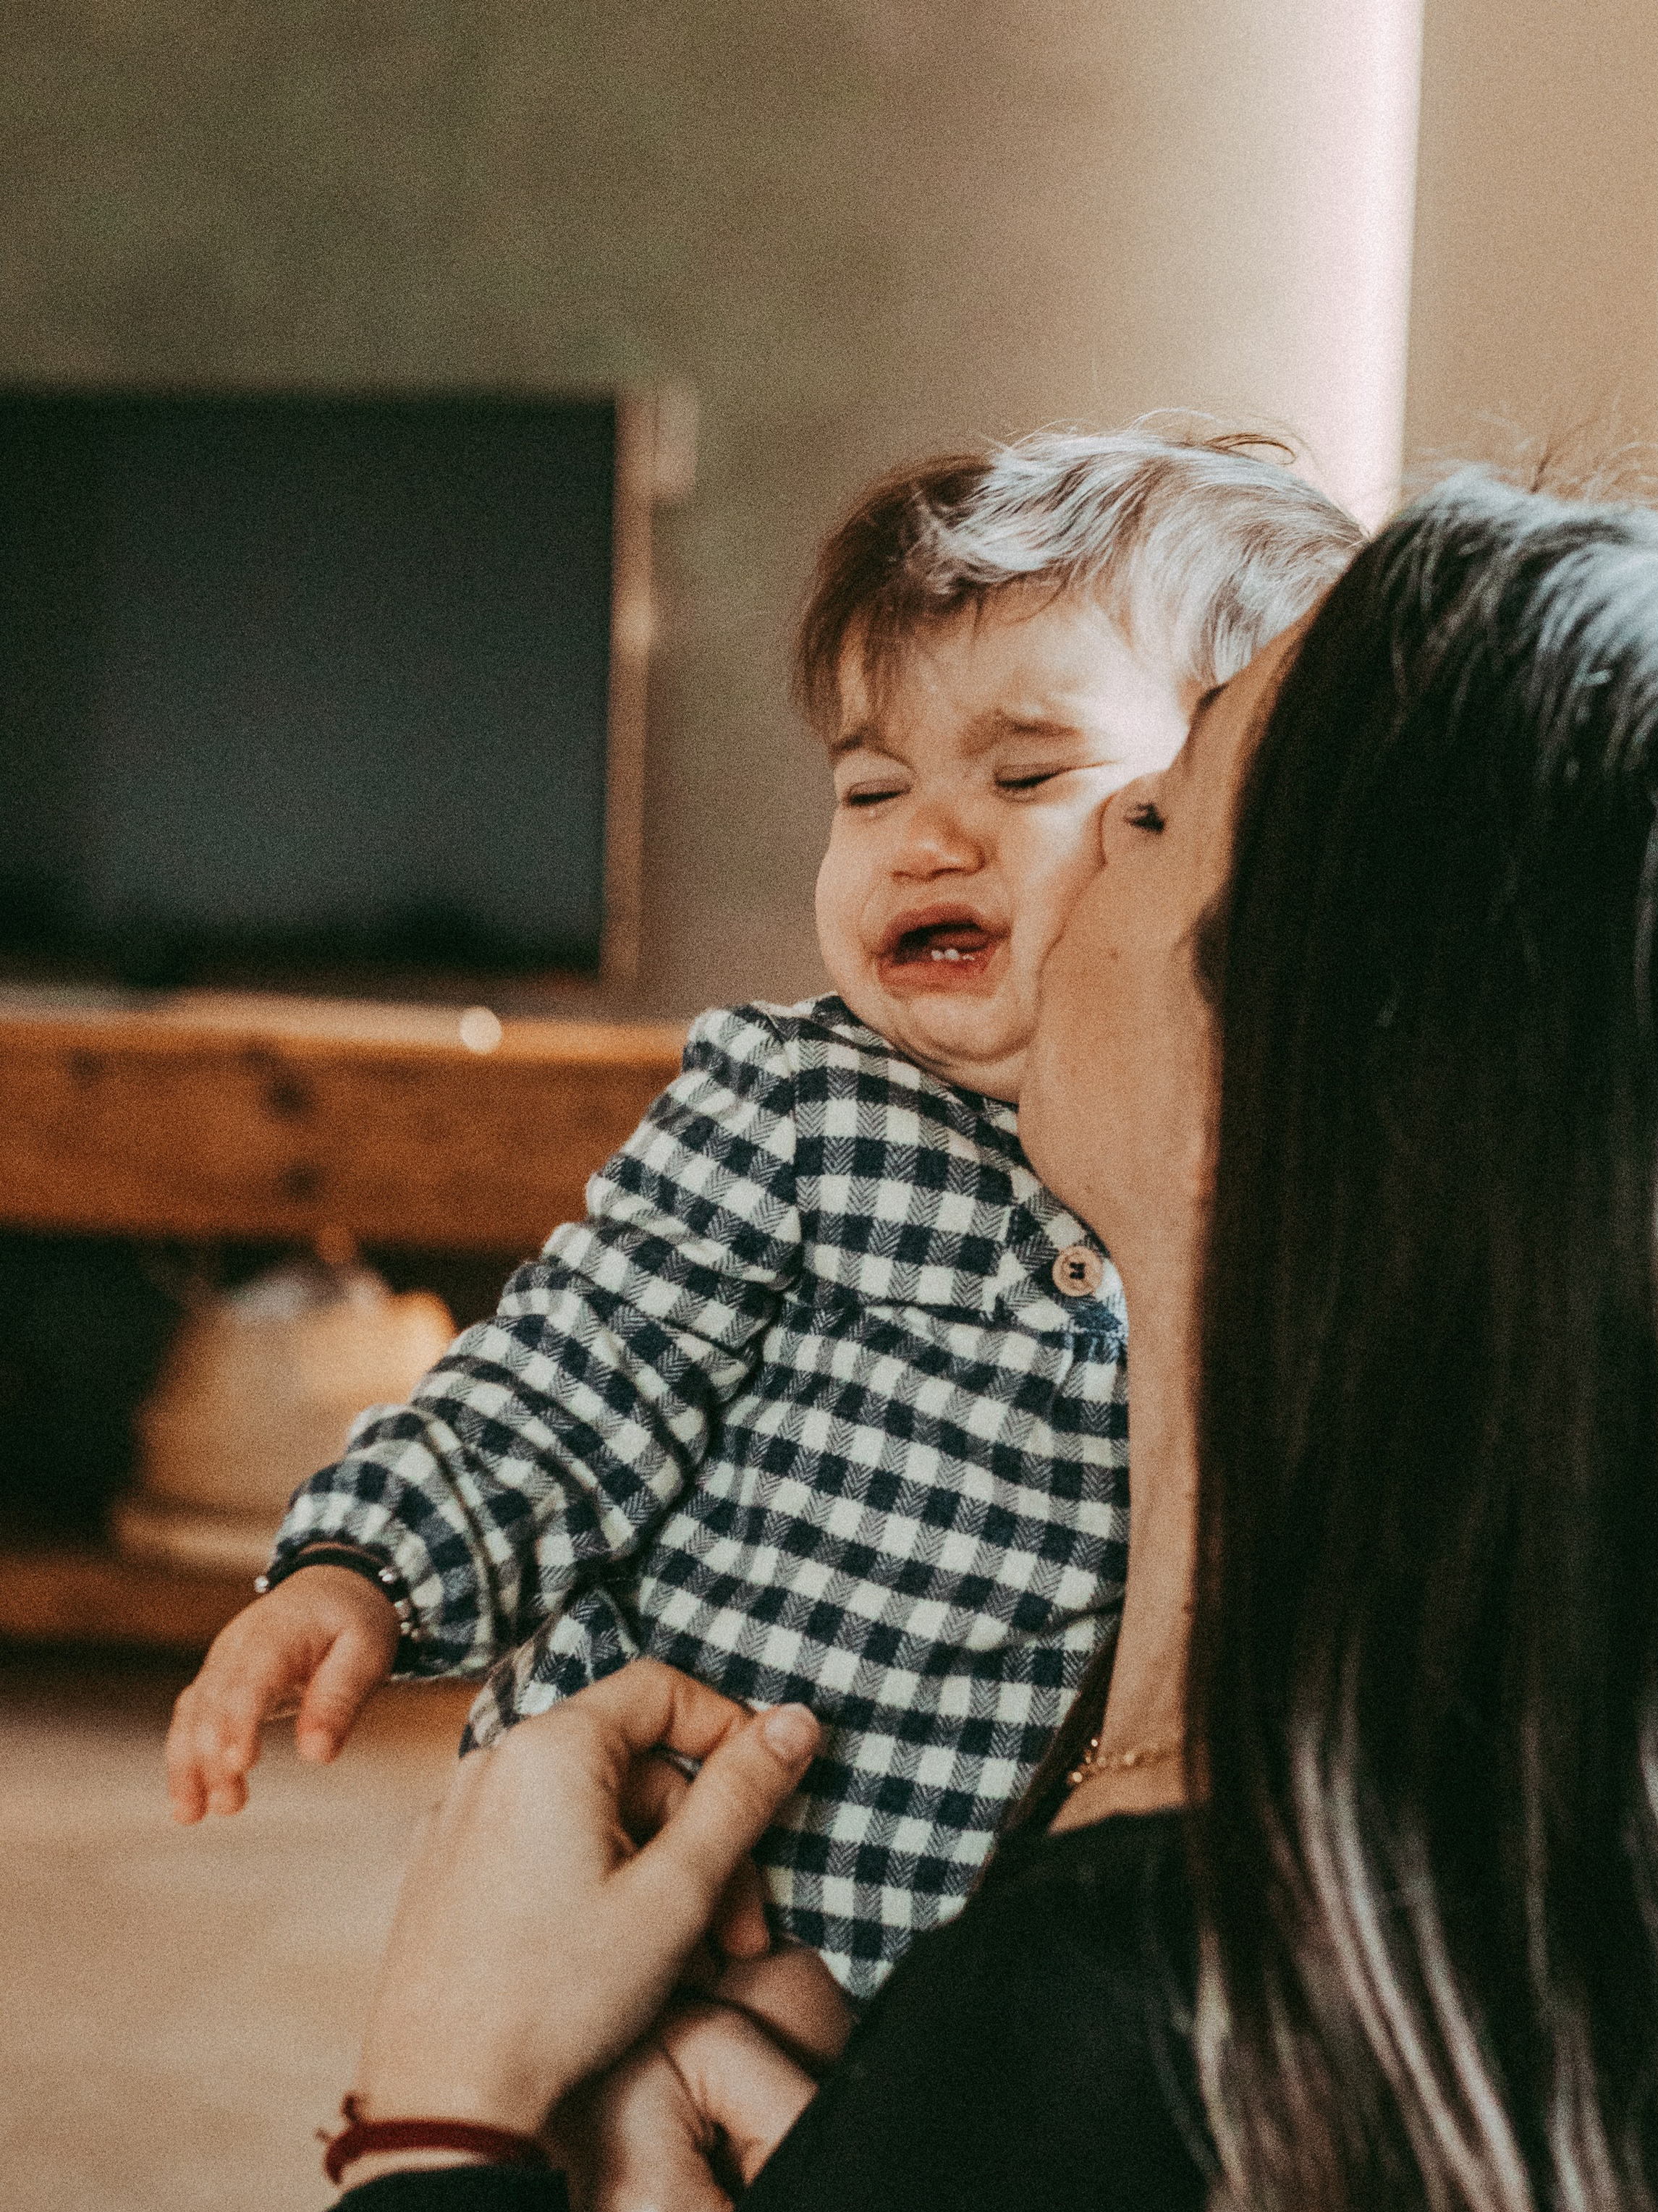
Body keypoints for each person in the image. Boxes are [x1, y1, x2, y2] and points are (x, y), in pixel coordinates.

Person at [313, 471, 1658, 2212]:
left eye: (1144, 812)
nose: (1027, 855)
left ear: (1288, 1079)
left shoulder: (1101, 2056)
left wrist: (440, 2144)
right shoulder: (1632, 1941)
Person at [164, 426, 1359, 1997]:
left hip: (977, 1987)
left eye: (1026, 775)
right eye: (870, 789)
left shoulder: (1301, 1180)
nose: (925, 837)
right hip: (659, 1903)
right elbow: (566, 1382)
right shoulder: (797, 1107)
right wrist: (362, 1568)